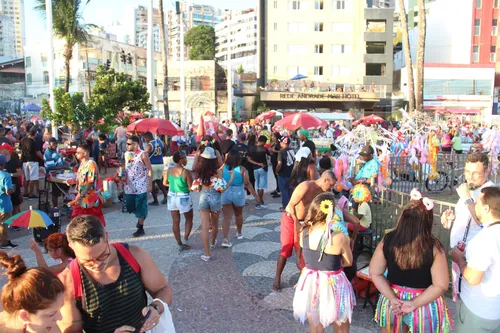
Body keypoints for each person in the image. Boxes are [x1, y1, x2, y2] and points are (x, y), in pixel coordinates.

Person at [57, 215, 173, 333]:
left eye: (102, 255)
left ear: (107, 237)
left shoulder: (134, 256)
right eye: (87, 261)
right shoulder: (68, 281)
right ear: (71, 246)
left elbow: (163, 289)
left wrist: (157, 307)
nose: (97, 264)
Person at [370, 189, 453, 333]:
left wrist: (393, 298)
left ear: (403, 217)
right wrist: (414, 303)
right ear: (428, 220)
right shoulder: (434, 247)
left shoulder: (388, 239)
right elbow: (441, 285)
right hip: (425, 305)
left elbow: (375, 272)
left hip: (393, 302)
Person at [273, 171, 360, 291]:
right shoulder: (306, 186)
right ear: (325, 180)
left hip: (305, 221)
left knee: (304, 251)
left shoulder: (324, 193)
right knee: (286, 249)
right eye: (330, 185)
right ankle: (277, 278)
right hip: (291, 218)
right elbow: (290, 206)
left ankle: (306, 282)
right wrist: (297, 222)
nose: (331, 188)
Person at [293, 192, 355, 333]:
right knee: (341, 326)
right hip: (334, 283)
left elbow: (306, 257)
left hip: (311, 283)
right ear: (332, 212)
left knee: (315, 327)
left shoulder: (304, 232)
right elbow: (348, 262)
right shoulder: (339, 237)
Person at [441, 152, 495, 300]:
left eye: (475, 173)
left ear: (486, 171)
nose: (470, 177)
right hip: (459, 252)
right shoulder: (470, 189)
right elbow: (466, 216)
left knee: (469, 296)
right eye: (467, 172)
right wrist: (451, 218)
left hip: (474, 257)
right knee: (457, 295)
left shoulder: (490, 193)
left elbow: (484, 221)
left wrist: (466, 198)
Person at [451, 187, 500, 332]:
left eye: (477, 203)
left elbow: (473, 278)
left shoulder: (486, 239)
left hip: (478, 310)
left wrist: (459, 259)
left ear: (486, 208)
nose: (474, 206)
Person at [0, 251, 65, 333]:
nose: (60, 318)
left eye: (60, 308)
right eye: (51, 314)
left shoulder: (50, 328)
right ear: (25, 316)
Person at [191, 146, 233, 261]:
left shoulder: (200, 171)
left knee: (204, 227)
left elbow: (196, 188)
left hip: (204, 197)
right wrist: (230, 179)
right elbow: (222, 189)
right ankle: (213, 242)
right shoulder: (218, 171)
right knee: (214, 224)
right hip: (215, 198)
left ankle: (207, 254)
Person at [221, 149, 261, 248]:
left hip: (225, 192)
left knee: (227, 217)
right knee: (238, 214)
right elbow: (247, 183)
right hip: (238, 192)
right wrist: (256, 196)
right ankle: (239, 233)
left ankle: (225, 238)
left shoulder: (223, 168)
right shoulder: (241, 169)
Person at [164, 151, 194, 251]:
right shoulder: (186, 172)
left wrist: (174, 187)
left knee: (175, 221)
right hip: (183, 196)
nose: (186, 160)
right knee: (189, 219)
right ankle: (185, 239)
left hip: (171, 196)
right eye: (185, 158)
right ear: (181, 160)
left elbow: (165, 183)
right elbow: (191, 187)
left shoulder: (169, 170)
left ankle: (179, 244)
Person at [124, 135, 153, 238]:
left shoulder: (143, 154)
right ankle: (142, 215)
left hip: (141, 185)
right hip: (129, 185)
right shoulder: (126, 154)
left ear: (135, 144)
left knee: (140, 206)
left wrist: (150, 184)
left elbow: (149, 169)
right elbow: (126, 168)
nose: (126, 145)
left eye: (128, 144)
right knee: (130, 207)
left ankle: (140, 227)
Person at [70, 144, 106, 226]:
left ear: (85, 153)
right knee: (79, 220)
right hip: (83, 197)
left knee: (91, 221)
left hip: (89, 199)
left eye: (78, 152)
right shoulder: (82, 164)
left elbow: (90, 182)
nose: (76, 154)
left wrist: (81, 196)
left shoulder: (91, 164)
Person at [143, 132, 168, 206]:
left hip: (153, 165)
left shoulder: (149, 145)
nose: (145, 140)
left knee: (152, 183)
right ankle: (166, 196)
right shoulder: (160, 142)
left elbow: (145, 156)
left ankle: (155, 200)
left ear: (147, 138)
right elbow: (165, 150)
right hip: (160, 163)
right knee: (159, 181)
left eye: (144, 139)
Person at [44, 137, 68, 207]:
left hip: (60, 172)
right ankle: (55, 208)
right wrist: (63, 167)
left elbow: (57, 160)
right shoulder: (48, 153)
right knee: (56, 192)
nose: (56, 145)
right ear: (49, 144)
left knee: (66, 186)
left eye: (56, 143)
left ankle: (65, 203)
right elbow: (51, 167)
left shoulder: (54, 150)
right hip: (53, 174)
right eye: (54, 143)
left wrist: (64, 159)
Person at [247, 135, 270, 209]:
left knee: (258, 185)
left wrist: (256, 163)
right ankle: (259, 202)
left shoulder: (251, 148)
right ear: (263, 142)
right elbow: (270, 154)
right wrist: (260, 164)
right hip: (263, 168)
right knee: (261, 187)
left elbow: (249, 159)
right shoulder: (264, 149)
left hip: (254, 169)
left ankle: (260, 201)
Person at [1, 142, 22, 218]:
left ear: (8, 150)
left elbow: (19, 173)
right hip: (3, 187)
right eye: (1, 149)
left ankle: (15, 223)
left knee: (15, 204)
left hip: (14, 185)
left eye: (3, 149)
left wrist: (10, 175)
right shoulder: (1, 160)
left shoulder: (14, 160)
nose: (1, 150)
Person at [21, 128, 43, 199]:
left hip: (24, 161)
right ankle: (31, 194)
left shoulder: (23, 140)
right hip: (32, 161)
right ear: (35, 134)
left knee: (27, 178)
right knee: (32, 178)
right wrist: (43, 158)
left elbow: (20, 148)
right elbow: (38, 152)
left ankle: (25, 193)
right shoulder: (33, 142)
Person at [276, 136, 295, 211]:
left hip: (283, 174)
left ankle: (285, 206)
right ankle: (292, 205)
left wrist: (276, 171)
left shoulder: (281, 152)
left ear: (283, 142)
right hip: (291, 173)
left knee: (284, 190)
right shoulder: (293, 150)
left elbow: (279, 164)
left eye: (280, 142)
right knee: (290, 190)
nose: (279, 143)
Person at [0, 154, 15, 249]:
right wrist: (13, 189)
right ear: (3, 164)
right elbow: (8, 191)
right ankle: (4, 243)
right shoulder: (6, 176)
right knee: (3, 224)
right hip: (4, 204)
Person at [269, 132, 282, 199]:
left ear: (276, 137)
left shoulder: (279, 144)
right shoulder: (274, 143)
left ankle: (279, 190)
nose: (272, 138)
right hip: (273, 161)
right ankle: (277, 188)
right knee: (275, 176)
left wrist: (274, 151)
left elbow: (281, 151)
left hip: (277, 162)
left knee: (277, 176)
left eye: (273, 137)